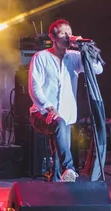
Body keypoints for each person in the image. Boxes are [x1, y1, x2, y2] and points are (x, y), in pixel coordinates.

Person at [28, 19, 103, 182]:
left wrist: (85, 50)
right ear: (53, 37)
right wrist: (48, 107)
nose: (68, 36)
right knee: (59, 127)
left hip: (66, 117)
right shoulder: (41, 57)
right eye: (63, 33)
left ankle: (57, 187)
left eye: (70, 32)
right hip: (41, 113)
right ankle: (69, 167)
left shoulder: (75, 57)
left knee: (58, 152)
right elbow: (34, 87)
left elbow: (98, 69)